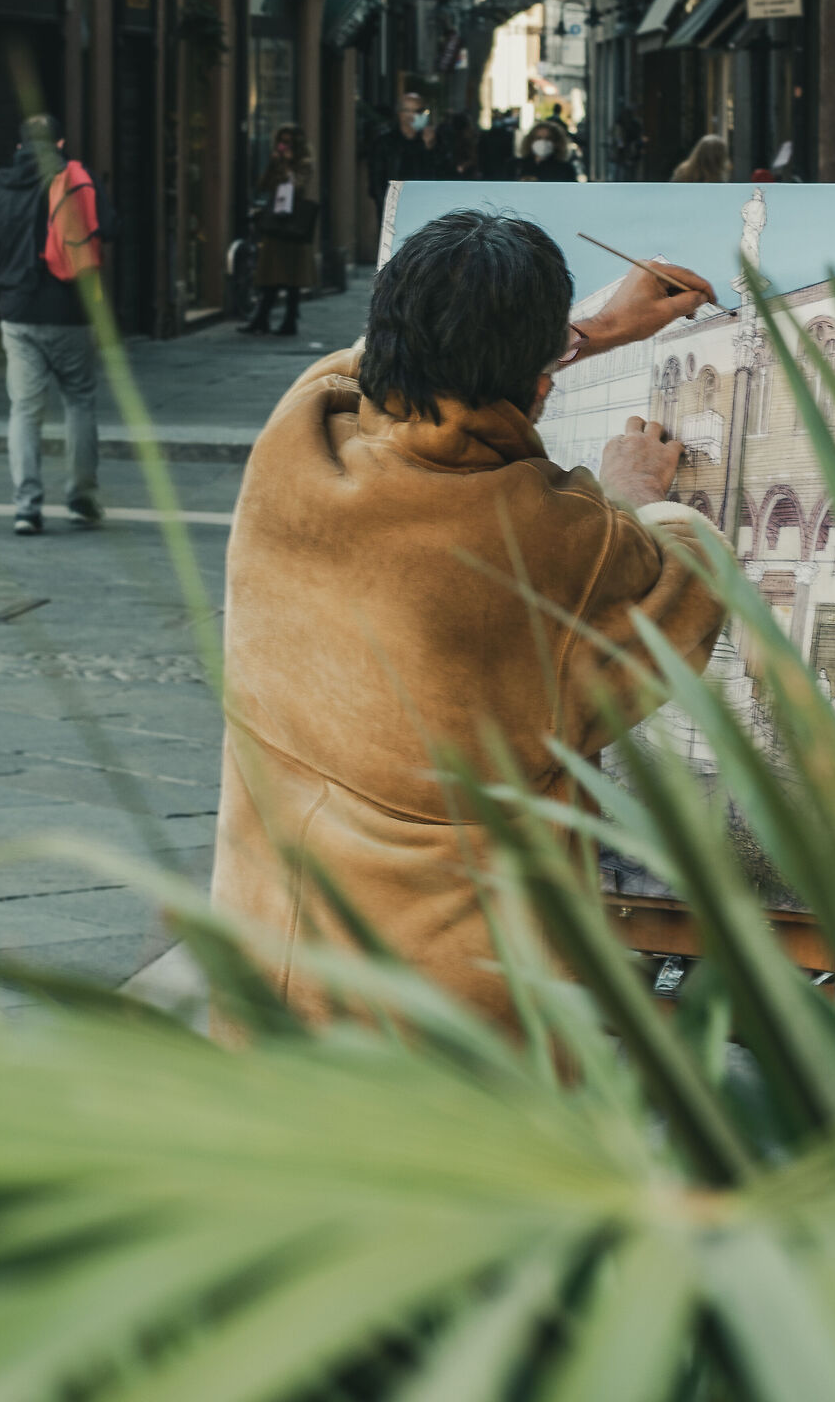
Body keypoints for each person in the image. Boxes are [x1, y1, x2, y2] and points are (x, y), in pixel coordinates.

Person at [211, 210, 723, 1033]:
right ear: (540, 384)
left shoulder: (298, 435)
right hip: (450, 1018)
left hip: (274, 967)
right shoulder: (555, 539)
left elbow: (387, 369)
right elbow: (688, 594)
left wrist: (592, 331)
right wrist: (641, 501)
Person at [0, 113, 116, 537]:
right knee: (80, 402)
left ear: (18, 147)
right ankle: (81, 501)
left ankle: (27, 507)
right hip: (70, 312)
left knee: (25, 410)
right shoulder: (74, 177)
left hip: (18, 314)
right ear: (61, 142)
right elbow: (110, 226)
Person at [244, 124, 314, 337]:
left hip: (293, 225)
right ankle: (261, 319)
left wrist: (286, 166)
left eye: (288, 143)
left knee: (292, 277)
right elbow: (263, 185)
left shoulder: (304, 163)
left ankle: (288, 321)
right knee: (269, 274)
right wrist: (274, 164)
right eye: (281, 142)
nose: (284, 147)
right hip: (275, 222)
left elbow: (298, 187)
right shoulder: (277, 162)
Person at [517, 115, 579, 182]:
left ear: (557, 142)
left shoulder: (566, 169)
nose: (543, 142)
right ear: (530, 141)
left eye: (548, 138)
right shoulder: (516, 166)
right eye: (538, 138)